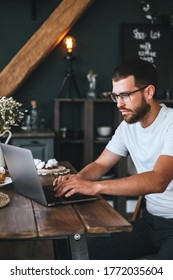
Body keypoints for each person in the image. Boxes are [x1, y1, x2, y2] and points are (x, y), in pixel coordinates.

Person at [53, 57, 173, 260]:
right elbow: (101, 164)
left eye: (125, 95)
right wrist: (78, 180)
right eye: (115, 96)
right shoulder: (128, 127)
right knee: (85, 255)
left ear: (149, 92)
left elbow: (158, 180)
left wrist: (96, 187)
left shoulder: (170, 124)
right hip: (151, 222)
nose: (119, 104)